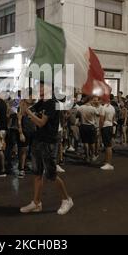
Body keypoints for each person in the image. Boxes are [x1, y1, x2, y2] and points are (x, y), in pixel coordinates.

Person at [20, 80, 74, 215]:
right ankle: (36, 203)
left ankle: (67, 199)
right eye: (39, 87)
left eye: (42, 87)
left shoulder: (52, 103)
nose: (40, 90)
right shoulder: (42, 102)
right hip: (38, 141)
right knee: (37, 174)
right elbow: (26, 113)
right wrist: (24, 105)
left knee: (51, 175)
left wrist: (29, 112)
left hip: (48, 143)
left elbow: (41, 123)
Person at [77, 95, 100, 164]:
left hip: (83, 126)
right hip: (91, 126)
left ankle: (87, 156)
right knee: (92, 142)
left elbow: (77, 115)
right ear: (90, 100)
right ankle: (92, 155)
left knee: (85, 142)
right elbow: (98, 115)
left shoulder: (80, 107)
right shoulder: (93, 108)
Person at [99, 95, 116, 171]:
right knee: (108, 145)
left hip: (105, 127)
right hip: (110, 126)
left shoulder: (103, 108)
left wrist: (100, 129)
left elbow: (101, 120)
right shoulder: (112, 108)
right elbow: (113, 119)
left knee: (107, 146)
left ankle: (108, 163)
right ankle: (106, 161)